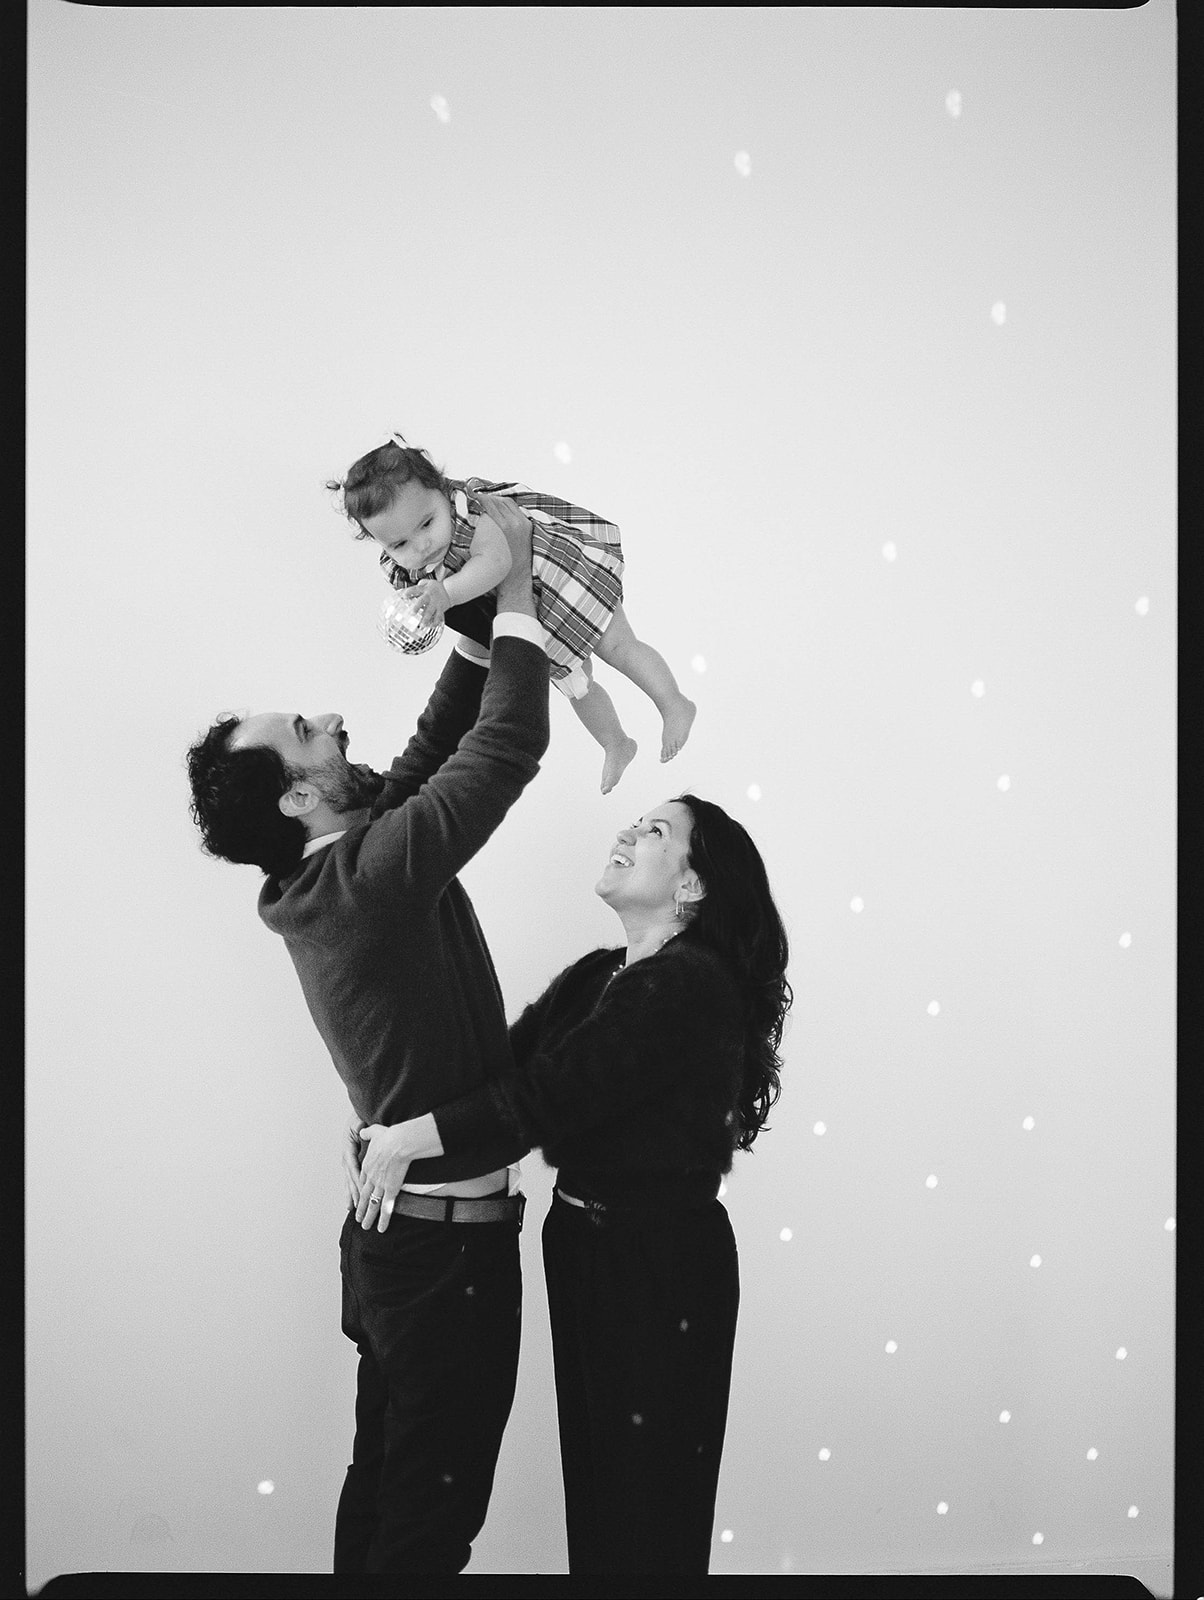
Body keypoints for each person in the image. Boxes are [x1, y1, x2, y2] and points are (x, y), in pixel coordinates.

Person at [184, 498, 549, 1575]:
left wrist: (476, 614)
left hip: (410, 1245)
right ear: (299, 795)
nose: (335, 718)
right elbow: (509, 742)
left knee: (388, 1481)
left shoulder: (342, 864)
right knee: (427, 1520)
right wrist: (520, 580)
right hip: (438, 1256)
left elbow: (445, 739)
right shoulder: (366, 885)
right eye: (311, 732)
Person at [345, 793, 792, 1575]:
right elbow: (502, 1070)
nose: (629, 831)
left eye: (657, 832)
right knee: (599, 1478)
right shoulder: (600, 975)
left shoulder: (690, 983)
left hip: (659, 1262)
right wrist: (385, 1120)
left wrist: (412, 1139)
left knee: (647, 1496)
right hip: (584, 1244)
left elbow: (548, 1096)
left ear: (692, 886)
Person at [326, 432, 697, 794]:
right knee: (577, 686)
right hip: (538, 618)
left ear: (443, 491)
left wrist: (446, 594)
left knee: (619, 647)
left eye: (426, 523)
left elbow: (496, 562)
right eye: (400, 543)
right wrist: (425, 610)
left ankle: (673, 703)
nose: (421, 545)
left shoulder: (472, 513)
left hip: (564, 583)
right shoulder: (413, 571)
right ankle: (616, 743)